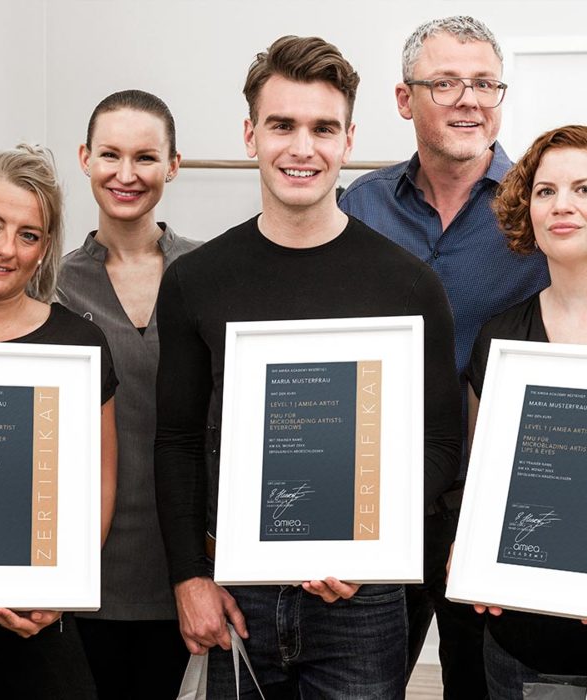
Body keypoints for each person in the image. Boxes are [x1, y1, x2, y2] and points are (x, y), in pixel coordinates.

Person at [155, 35, 461, 698]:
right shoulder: (196, 281)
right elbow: (177, 441)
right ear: (250, 135)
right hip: (238, 594)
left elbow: (441, 443)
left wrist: (369, 541)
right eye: (282, 125)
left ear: (348, 139)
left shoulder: (407, 285)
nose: (302, 147)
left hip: (363, 601)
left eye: (323, 128)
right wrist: (188, 577)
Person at [338, 16, 549, 695]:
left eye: (485, 83)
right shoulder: (359, 207)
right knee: (362, 683)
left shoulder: (542, 209)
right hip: (378, 503)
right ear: (406, 101)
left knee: (483, 686)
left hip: (497, 505)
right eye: (447, 83)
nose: (470, 99)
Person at [465, 124, 587, 698]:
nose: (562, 206)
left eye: (585, 189)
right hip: (520, 641)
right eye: (545, 191)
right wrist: (471, 543)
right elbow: (482, 477)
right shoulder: (500, 337)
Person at [0, 144, 118, 699]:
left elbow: (100, 481)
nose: (6, 248)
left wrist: (62, 586)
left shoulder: (76, 344)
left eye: (28, 234)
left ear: (44, 247)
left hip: (35, 616)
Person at [58, 90, 199, 699]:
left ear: (173, 165)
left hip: (185, 568)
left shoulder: (205, 273)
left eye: (145, 157)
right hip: (85, 567)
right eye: (110, 155)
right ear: (86, 158)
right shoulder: (54, 283)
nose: (126, 174)